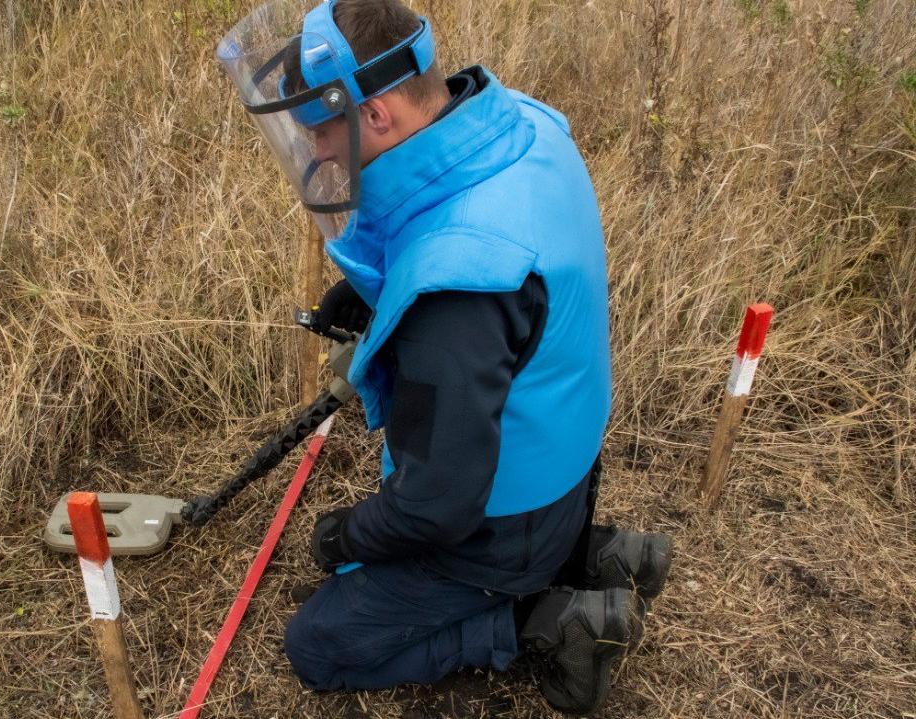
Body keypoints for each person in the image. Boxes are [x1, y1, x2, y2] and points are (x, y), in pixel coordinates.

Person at [217, 0, 673, 714]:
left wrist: (345, 536)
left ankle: (540, 618)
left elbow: (437, 508)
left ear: (376, 115)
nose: (320, 153)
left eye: (322, 132)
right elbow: (473, 240)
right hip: (568, 466)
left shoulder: (457, 289)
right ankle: (594, 552)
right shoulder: (524, 126)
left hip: (507, 523)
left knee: (319, 645)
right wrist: (378, 290)